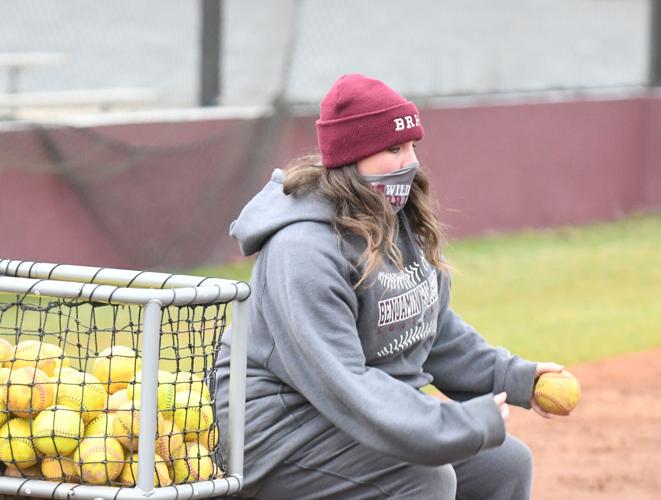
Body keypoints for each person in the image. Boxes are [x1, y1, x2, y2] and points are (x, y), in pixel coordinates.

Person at [214, 73, 568, 500]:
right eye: (394, 149)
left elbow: (429, 332)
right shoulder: (302, 250)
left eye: (413, 146)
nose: (410, 161)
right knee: (425, 479)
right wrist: (457, 425)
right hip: (277, 434)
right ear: (351, 156)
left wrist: (515, 378)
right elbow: (343, 384)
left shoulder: (391, 220)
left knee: (504, 463)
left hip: (342, 418)